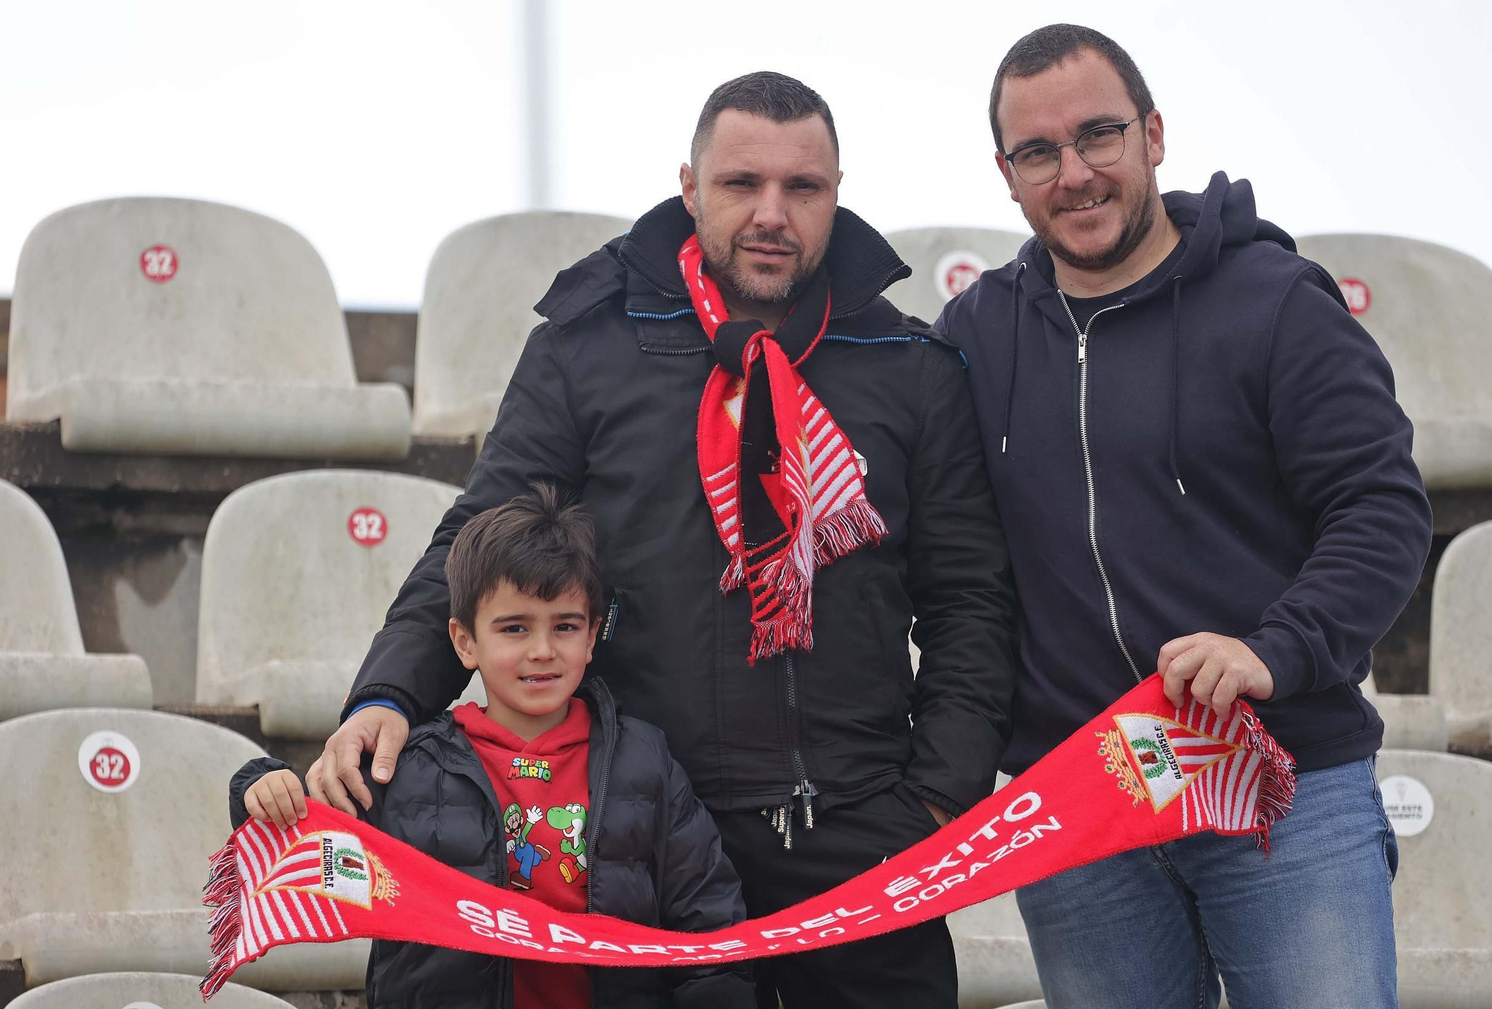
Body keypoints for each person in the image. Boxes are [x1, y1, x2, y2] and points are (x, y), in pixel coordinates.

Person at [309, 72, 1016, 1008]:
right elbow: (479, 536)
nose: (772, 213)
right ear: (689, 187)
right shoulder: (588, 345)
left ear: (836, 193)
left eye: (802, 188)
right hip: (640, 833)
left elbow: (970, 598)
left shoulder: (910, 366)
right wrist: (391, 692)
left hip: (859, 843)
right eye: (740, 184)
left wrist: (933, 800)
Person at [936, 24, 1433, 1009]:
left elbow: (1381, 509)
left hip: (1278, 780)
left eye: (1098, 136)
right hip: (1082, 808)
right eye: (1038, 152)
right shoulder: (974, 335)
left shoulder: (1277, 304)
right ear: (1005, 174)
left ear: (1153, 135)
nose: (1073, 173)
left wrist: (1274, 648)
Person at [230, 486, 756, 1009]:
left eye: (565, 626)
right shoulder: (410, 764)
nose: (542, 650)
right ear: (464, 641)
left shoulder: (645, 762)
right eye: (515, 628)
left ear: (593, 635)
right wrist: (261, 785)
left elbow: (708, 922)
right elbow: (311, 844)